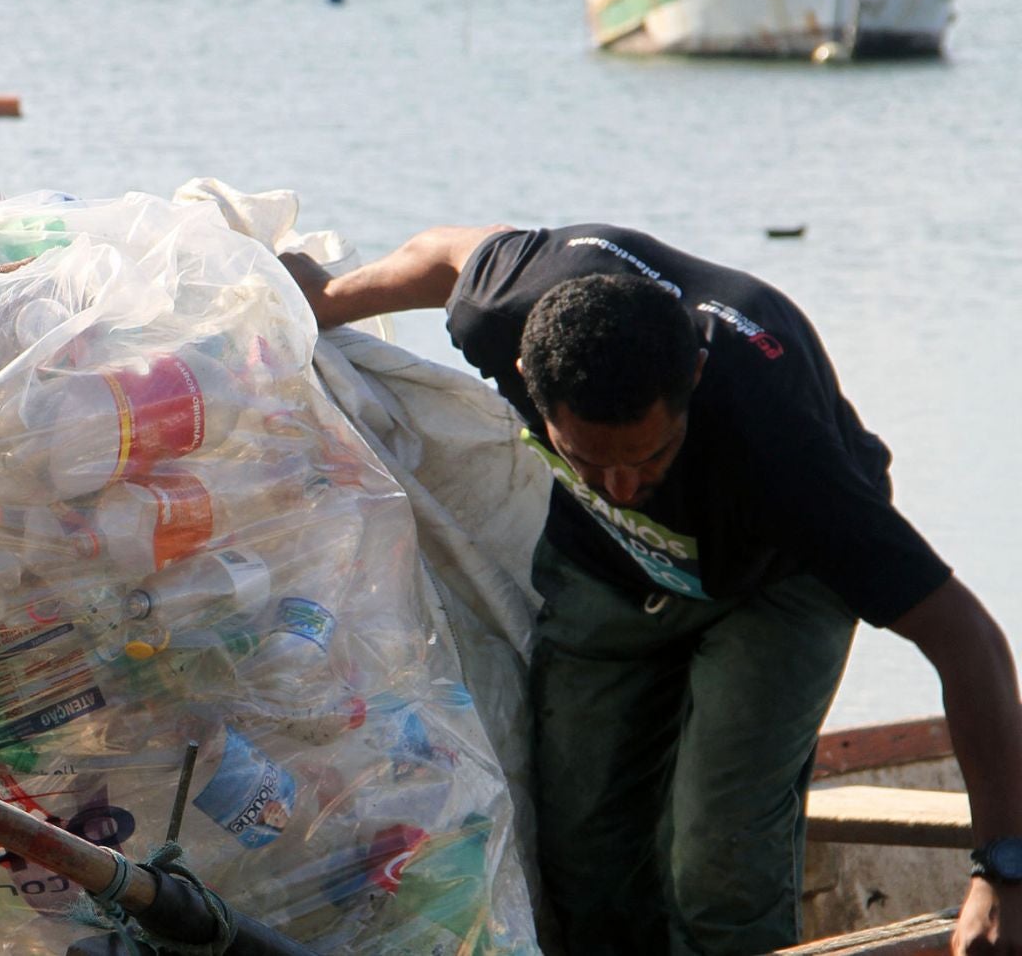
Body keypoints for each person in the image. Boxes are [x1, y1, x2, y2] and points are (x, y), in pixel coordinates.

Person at [281, 223, 1020, 955]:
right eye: (591, 461)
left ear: (694, 377)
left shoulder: (786, 454)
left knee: (717, 870)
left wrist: (1003, 872)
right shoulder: (505, 303)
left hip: (779, 581)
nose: (625, 486)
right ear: (524, 373)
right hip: (610, 569)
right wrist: (327, 297)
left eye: (650, 453)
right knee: (581, 858)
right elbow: (444, 257)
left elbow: (968, 639)